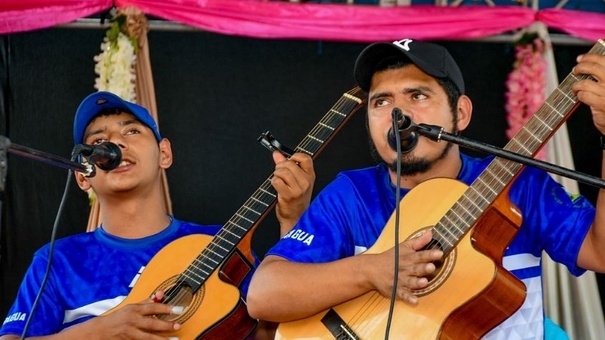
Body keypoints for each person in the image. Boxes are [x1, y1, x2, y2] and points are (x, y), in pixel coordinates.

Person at [247, 38, 605, 339]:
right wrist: (370, 271)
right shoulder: (353, 194)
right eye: (381, 101)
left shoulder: (521, 185)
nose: (397, 114)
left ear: (460, 113)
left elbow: (601, 252)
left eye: (417, 95)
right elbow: (263, 295)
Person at [0, 91, 314, 339]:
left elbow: (277, 332)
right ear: (83, 176)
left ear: (164, 153)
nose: (116, 143)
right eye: (98, 141)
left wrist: (294, 220)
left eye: (132, 131)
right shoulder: (56, 260)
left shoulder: (219, 244)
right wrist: (100, 332)